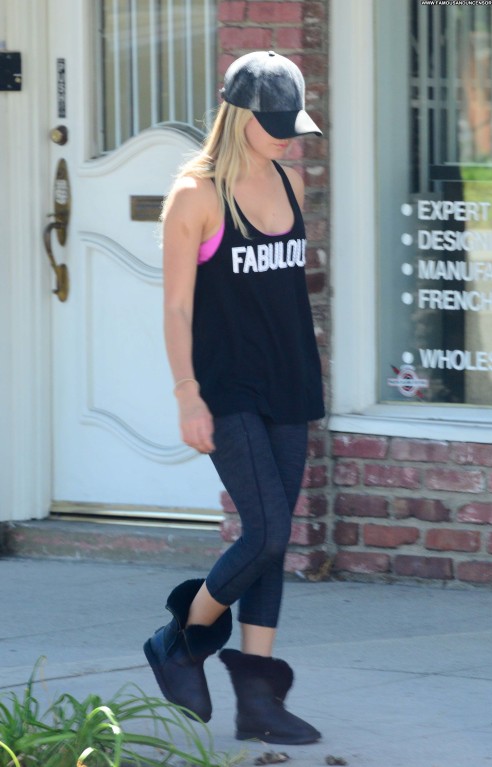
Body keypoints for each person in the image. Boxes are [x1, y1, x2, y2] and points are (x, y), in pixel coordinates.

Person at [144, 50, 325, 746]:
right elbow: (177, 308)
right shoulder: (195, 196)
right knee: (267, 531)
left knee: (272, 543)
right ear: (238, 114)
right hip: (227, 386)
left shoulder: (290, 181)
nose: (287, 138)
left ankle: (258, 699)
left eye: (292, 126)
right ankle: (181, 637)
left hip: (289, 380)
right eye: (274, 125)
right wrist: (187, 394)